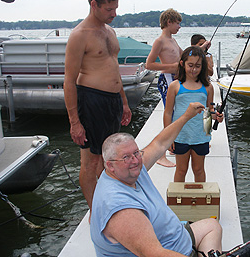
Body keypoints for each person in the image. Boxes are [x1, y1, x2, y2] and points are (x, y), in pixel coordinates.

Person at [90, 102, 223, 257]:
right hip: (167, 251)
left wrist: (187, 116)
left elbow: (159, 143)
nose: (135, 160)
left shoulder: (128, 171)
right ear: (109, 165)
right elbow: (154, 253)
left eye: (136, 153)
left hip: (175, 238)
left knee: (212, 226)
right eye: (126, 157)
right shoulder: (121, 208)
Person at [63, 0, 132, 211]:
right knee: (91, 162)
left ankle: (108, 203)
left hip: (113, 101)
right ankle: (95, 210)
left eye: (116, 8)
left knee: (110, 157)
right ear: (94, 4)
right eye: (109, 9)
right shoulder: (79, 35)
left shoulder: (110, 30)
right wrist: (75, 122)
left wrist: (123, 102)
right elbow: (69, 81)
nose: (114, 14)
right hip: (91, 100)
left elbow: (114, 68)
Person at [163, 46, 223, 182]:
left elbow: (209, 112)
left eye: (198, 66)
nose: (194, 69)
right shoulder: (174, 86)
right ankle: (178, 200)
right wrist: (168, 137)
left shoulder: (208, 87)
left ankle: (201, 199)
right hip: (180, 136)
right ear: (182, 64)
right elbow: (167, 113)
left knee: (199, 169)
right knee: (181, 169)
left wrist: (216, 117)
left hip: (200, 137)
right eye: (190, 65)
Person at [146, 8, 183, 167]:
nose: (179, 27)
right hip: (166, 79)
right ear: (169, 22)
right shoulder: (160, 41)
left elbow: (185, 55)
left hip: (176, 79)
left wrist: (201, 49)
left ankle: (172, 145)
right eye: (177, 23)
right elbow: (149, 64)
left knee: (178, 112)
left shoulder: (173, 40)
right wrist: (172, 66)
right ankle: (162, 152)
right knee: (170, 113)